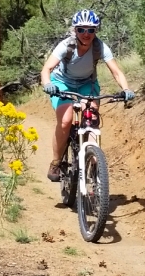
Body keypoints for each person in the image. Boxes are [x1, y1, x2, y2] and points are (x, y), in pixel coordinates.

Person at [40, 9, 135, 182]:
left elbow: (116, 72)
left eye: (90, 30)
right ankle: (56, 162)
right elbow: (46, 69)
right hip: (62, 83)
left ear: (95, 31)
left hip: (87, 84)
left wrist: (126, 89)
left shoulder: (100, 46)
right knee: (66, 120)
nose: (86, 34)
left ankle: (93, 159)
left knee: (91, 119)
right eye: (81, 29)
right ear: (75, 30)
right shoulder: (66, 45)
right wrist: (48, 84)